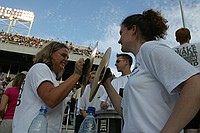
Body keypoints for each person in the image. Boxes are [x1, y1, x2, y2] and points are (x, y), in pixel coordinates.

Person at [102, 9, 200, 133]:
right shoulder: (139, 64)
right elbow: (126, 111)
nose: (119, 40)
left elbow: (195, 85)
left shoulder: (150, 48)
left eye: (121, 33)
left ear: (133, 30)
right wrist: (106, 83)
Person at [12, 41, 85, 133]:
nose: (66, 59)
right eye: (63, 55)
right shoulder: (40, 68)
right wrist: (77, 74)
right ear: (50, 54)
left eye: (67, 57)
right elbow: (51, 98)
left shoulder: (51, 78)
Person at [173, 27, 200, 133]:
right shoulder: (198, 46)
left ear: (176, 39)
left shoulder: (172, 51)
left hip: (185, 91)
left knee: (190, 125)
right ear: (190, 37)